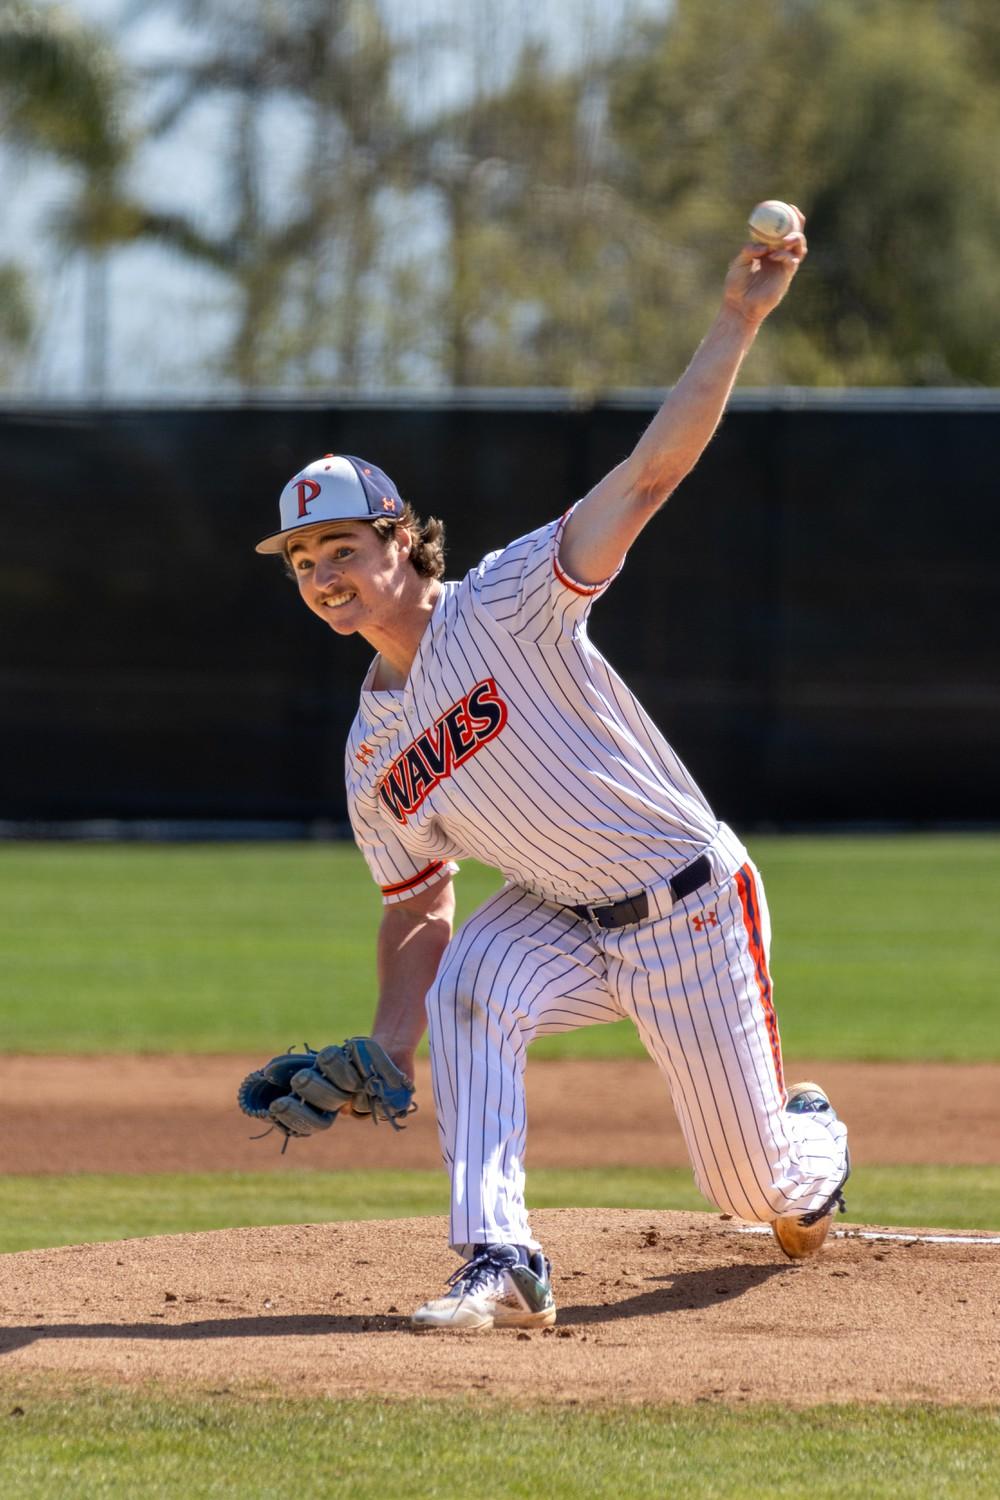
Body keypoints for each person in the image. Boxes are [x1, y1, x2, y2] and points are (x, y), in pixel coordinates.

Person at [254, 209, 850, 1331]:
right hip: (565, 919)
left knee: (752, 1192)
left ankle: (809, 1139)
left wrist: (734, 320)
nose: (323, 574)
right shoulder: (371, 749)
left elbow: (650, 475)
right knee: (476, 976)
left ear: (400, 541)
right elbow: (417, 909)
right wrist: (389, 1038)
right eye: (301, 562)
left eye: (341, 548)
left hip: (688, 906)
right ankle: (500, 1257)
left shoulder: (511, 600)